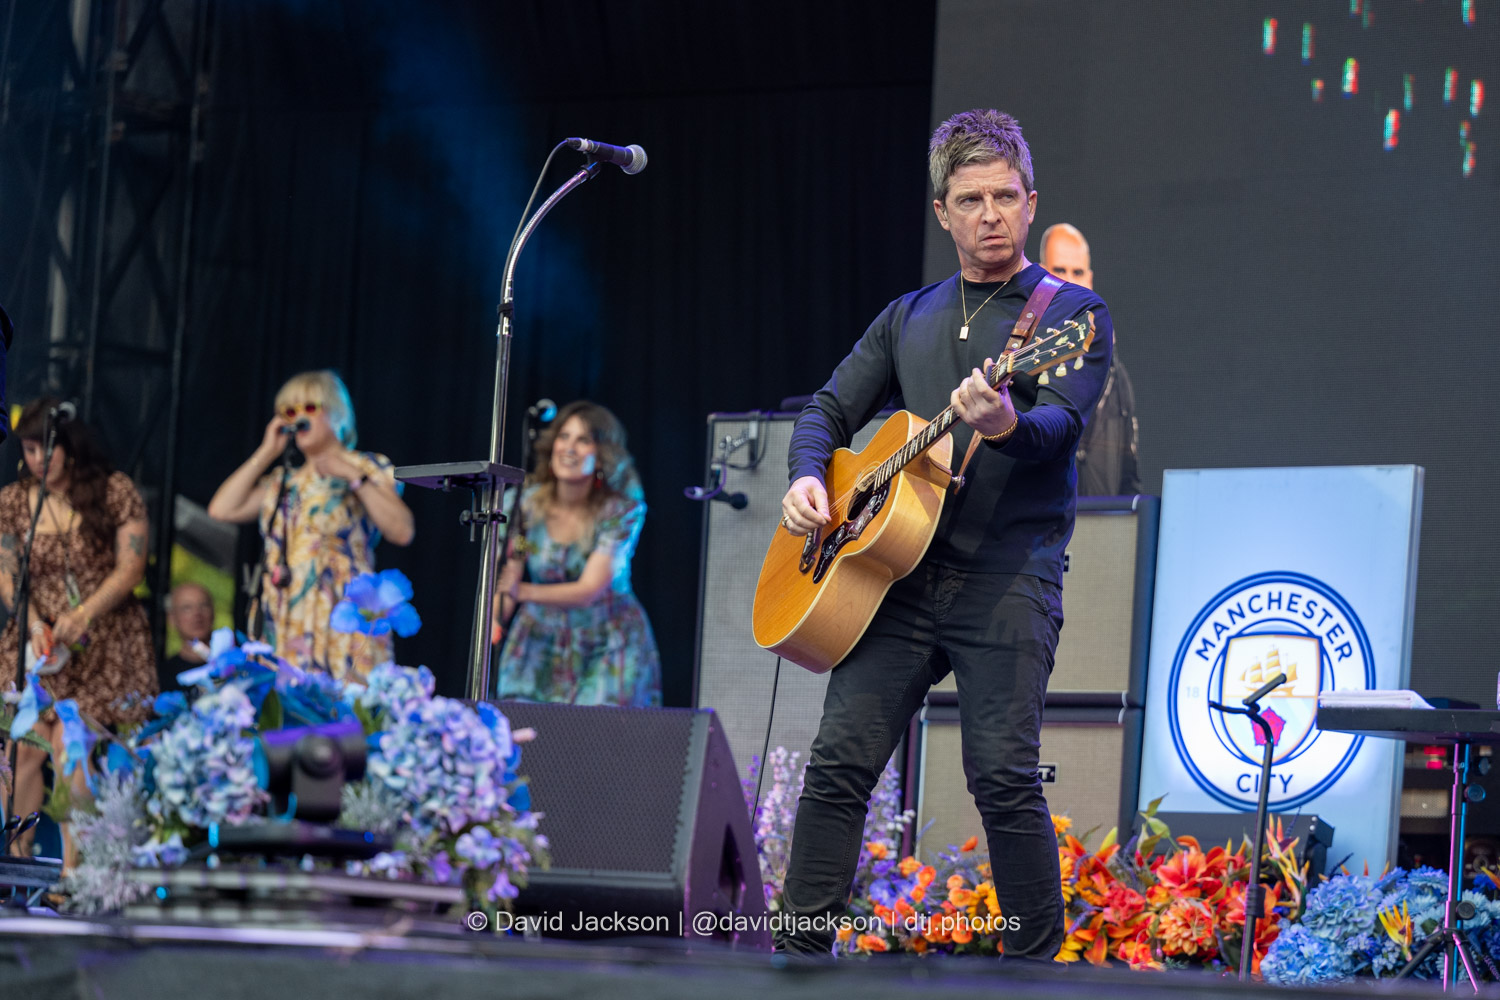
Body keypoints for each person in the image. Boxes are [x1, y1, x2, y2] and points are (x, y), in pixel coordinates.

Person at [775, 110, 1114, 960]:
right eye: (971, 199)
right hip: (892, 580)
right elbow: (827, 408)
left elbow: (1058, 431)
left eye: (1006, 196)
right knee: (839, 768)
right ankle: (794, 957)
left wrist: (1002, 420)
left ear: (1031, 203)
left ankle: (1036, 969)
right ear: (942, 212)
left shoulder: (1072, 315)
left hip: (1009, 575)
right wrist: (808, 477)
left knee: (1002, 778)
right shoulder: (908, 316)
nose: (990, 214)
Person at [0, 397, 157, 858]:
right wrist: (33, 625)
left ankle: (75, 867)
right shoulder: (12, 501)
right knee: (23, 749)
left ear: (71, 446)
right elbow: (9, 575)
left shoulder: (113, 491)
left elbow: (131, 568)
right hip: (40, 644)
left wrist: (84, 613)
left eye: (46, 450)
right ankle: (15, 859)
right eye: (28, 451)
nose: (37, 462)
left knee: (73, 742)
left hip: (101, 641)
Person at [207, 370, 414, 680]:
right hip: (284, 616)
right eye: (290, 411)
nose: (299, 417)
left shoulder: (366, 466)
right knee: (282, 718)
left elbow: (401, 530)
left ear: (336, 412)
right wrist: (266, 453)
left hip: (341, 614)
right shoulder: (281, 482)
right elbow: (221, 509)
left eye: (309, 408)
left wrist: (353, 477)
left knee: (345, 716)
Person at [492, 400, 661, 707]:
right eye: (564, 437)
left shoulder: (620, 511)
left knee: (595, 741)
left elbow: (588, 591)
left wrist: (520, 592)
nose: (569, 448)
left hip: (607, 642)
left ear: (601, 456)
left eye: (583, 440)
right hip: (538, 640)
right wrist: (495, 616)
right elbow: (513, 567)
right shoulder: (524, 505)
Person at [1039, 223, 1140, 496]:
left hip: (1098, 528)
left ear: (1090, 281)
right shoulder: (1024, 357)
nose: (1070, 280)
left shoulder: (1117, 375)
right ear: (1041, 274)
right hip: (1042, 528)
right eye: (1059, 270)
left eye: (1078, 272)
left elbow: (1128, 472)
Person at [159, 581, 215, 693]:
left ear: (213, 613)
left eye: (204, 605)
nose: (197, 614)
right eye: (187, 608)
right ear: (172, 618)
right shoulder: (163, 675)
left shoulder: (233, 664)